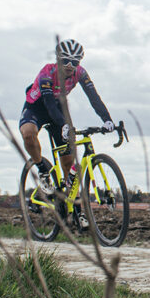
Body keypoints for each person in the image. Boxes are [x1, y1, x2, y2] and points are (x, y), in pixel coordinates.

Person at [19, 39, 115, 222]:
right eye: (66, 61)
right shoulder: (47, 73)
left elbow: (94, 97)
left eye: (75, 62)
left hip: (59, 108)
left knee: (69, 163)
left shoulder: (80, 73)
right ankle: (42, 170)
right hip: (37, 108)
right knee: (28, 134)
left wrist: (107, 119)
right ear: (58, 60)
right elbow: (48, 103)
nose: (70, 66)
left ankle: (75, 209)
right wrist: (63, 124)